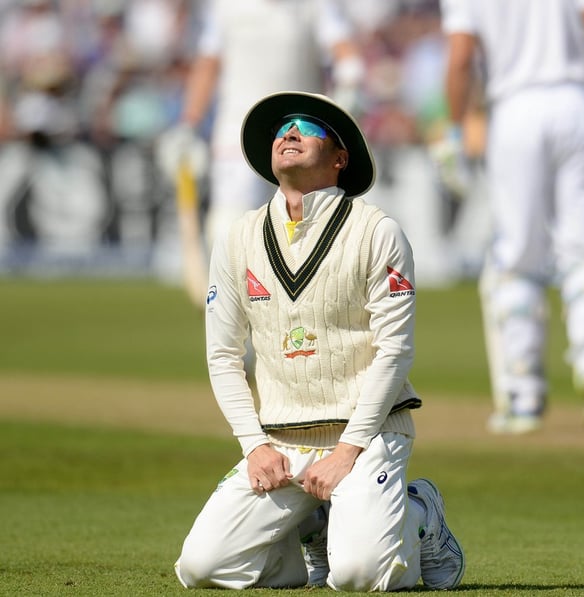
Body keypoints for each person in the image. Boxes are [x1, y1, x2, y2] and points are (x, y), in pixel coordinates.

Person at [173, 91, 465, 591]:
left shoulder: (378, 232)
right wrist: (253, 446)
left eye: (306, 127)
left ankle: (421, 514)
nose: (288, 133)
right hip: (281, 441)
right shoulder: (237, 237)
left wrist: (348, 450)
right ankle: (311, 528)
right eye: (282, 128)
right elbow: (222, 355)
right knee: (202, 568)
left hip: (368, 434)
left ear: (339, 158)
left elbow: (395, 350)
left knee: (358, 574)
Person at [436, 0, 584, 434]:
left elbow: (461, 56)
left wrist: (455, 130)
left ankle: (523, 392)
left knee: (518, 255)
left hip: (515, 112)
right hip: (577, 106)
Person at [158, 0, 365, 265]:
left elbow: (345, 53)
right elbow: (208, 64)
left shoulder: (316, 5)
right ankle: (229, 300)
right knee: (230, 226)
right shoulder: (225, 6)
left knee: (302, 229)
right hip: (238, 133)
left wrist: (350, 86)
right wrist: (189, 123)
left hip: (300, 132)